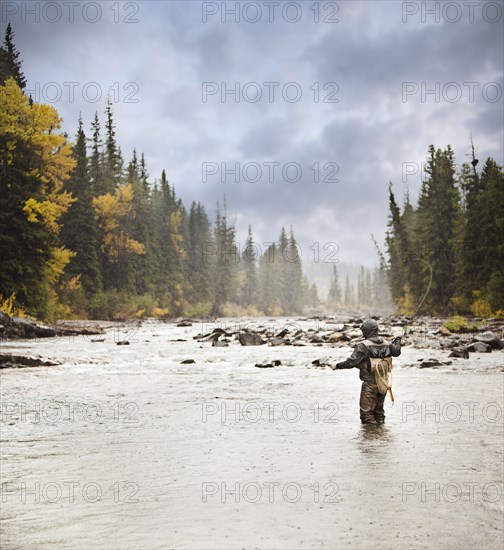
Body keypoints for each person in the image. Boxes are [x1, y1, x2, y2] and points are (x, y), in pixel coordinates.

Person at [331, 319, 401, 425]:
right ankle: (381, 437)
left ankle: (370, 438)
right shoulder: (387, 344)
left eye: (364, 331)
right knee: (379, 413)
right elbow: (397, 352)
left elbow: (351, 362)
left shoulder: (363, 346)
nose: (363, 333)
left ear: (367, 331)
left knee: (366, 415)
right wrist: (398, 338)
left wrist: (337, 366)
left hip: (370, 384)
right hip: (383, 383)